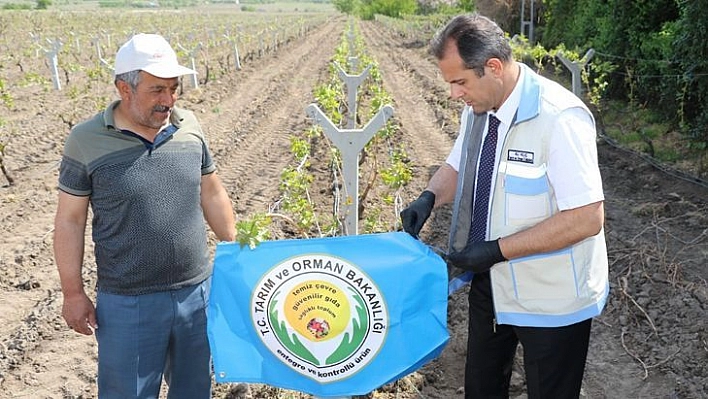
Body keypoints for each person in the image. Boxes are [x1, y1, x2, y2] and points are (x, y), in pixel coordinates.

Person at [400, 14, 609, 399]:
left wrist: (496, 250)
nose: (453, 94)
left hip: (552, 299)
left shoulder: (559, 117)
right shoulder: (479, 110)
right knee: (481, 388)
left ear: (493, 67)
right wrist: (428, 197)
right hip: (492, 284)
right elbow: (459, 164)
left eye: (459, 82)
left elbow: (586, 218)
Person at [53, 33, 236, 398]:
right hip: (128, 303)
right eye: (157, 90)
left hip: (195, 294)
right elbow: (69, 221)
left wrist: (241, 249)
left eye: (174, 89)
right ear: (125, 87)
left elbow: (211, 192)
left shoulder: (189, 126)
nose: (168, 100)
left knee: (195, 390)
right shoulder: (87, 139)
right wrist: (73, 293)